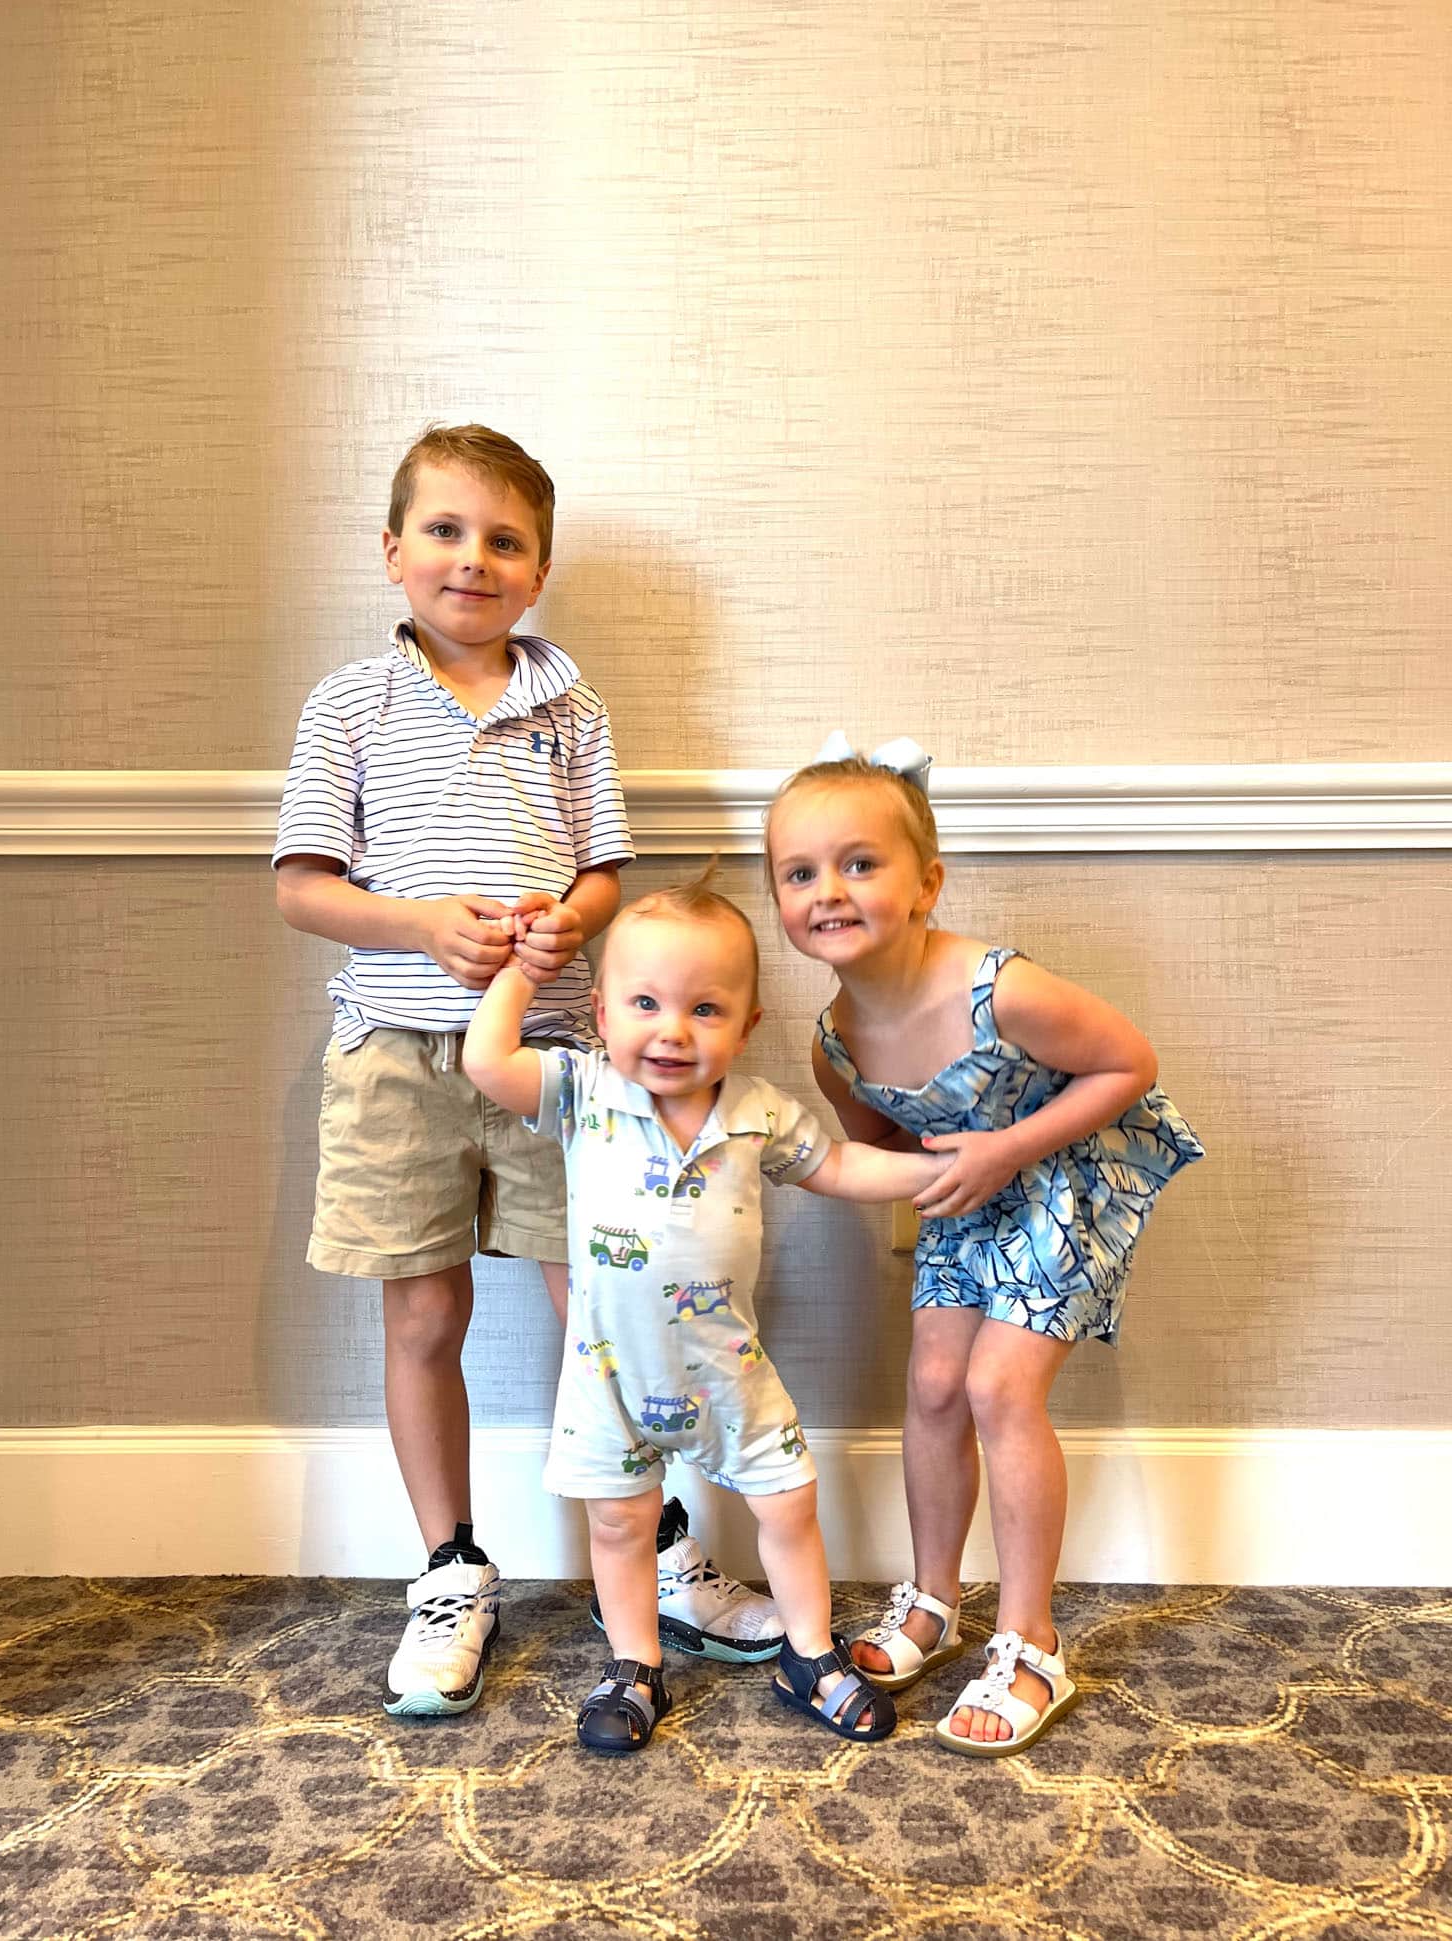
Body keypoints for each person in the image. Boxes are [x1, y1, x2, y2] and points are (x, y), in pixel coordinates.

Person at [273, 423, 767, 1718]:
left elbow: (603, 871)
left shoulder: (572, 706)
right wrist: (422, 925)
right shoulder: (348, 704)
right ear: (392, 550)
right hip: (395, 1057)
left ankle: (652, 1544)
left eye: (504, 541)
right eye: (444, 531)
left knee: (606, 1304)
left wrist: (572, 919)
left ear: (537, 571)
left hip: (555, 1062)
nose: (472, 559)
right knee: (423, 1316)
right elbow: (303, 889)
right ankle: (449, 1568)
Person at [764, 742, 1204, 1756]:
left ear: (926, 883)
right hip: (968, 1206)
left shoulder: (1000, 989)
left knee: (999, 1388)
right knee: (931, 1384)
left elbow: (1129, 1064)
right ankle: (933, 1600)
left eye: (860, 863)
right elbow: (880, 1143)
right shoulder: (834, 1041)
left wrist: (1006, 1148)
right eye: (799, 872)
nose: (829, 890)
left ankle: (1031, 1640)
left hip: (1064, 1180)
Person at [462, 876, 954, 1753]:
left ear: (746, 1024)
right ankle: (633, 1663)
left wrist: (938, 1169)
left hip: (730, 1367)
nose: (672, 1030)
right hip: (611, 1373)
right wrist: (525, 972)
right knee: (621, 1521)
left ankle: (809, 1652)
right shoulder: (582, 1090)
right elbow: (487, 1061)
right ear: (602, 1013)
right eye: (644, 1003)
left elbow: (841, 1167)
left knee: (790, 1500)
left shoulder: (756, 1111)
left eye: (704, 1008)